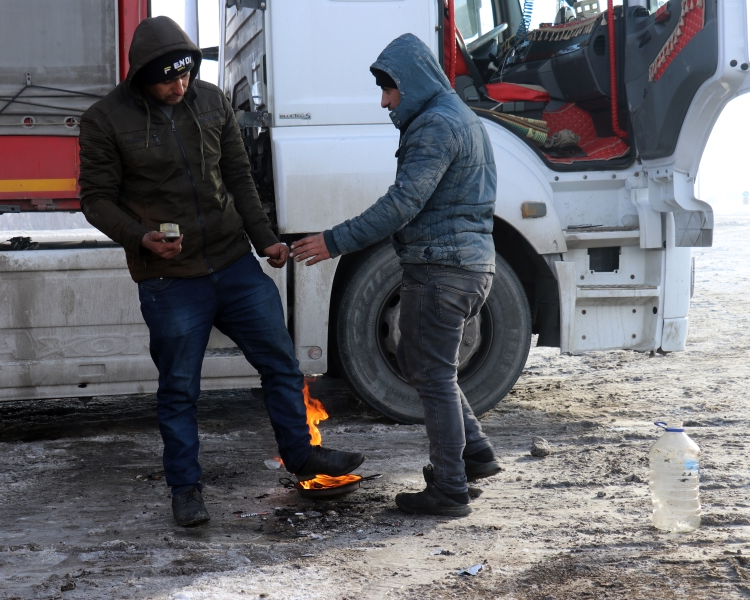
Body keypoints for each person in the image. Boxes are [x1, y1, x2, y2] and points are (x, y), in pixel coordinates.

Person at [78, 16, 364, 527]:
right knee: (180, 388)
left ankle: (302, 458)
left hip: (233, 262)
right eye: (167, 78)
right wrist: (139, 237)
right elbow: (95, 200)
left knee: (280, 362)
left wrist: (266, 239)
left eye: (185, 74)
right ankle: (186, 490)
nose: (179, 86)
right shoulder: (105, 119)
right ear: (142, 75)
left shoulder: (211, 102)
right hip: (169, 280)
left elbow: (238, 176)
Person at [290, 33, 501, 517]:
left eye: (389, 90)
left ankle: (450, 488)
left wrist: (333, 241)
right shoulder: (458, 118)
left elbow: (403, 204)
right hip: (467, 265)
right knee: (420, 362)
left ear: (413, 82)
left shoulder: (435, 126)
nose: (385, 101)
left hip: (441, 268)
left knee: (433, 377)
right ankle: (475, 454)